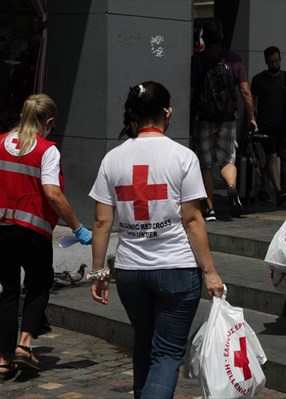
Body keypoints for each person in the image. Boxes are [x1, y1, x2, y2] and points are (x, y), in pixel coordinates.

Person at [89, 82, 224, 398]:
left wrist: (97, 272)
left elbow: (101, 221)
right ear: (168, 112)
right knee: (166, 354)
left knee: (144, 343)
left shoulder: (112, 159)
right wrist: (210, 272)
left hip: (130, 272)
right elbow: (192, 220)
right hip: (177, 269)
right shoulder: (182, 157)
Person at [0, 94, 92, 374]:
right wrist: (77, 225)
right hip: (32, 232)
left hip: (1, 230)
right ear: (48, 121)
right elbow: (52, 193)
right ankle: (24, 345)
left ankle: (3, 360)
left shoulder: (0, 141)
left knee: (8, 291)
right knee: (40, 284)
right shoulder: (46, 149)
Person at [190, 18, 257, 221]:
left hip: (204, 117)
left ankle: (210, 209)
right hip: (228, 117)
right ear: (221, 36)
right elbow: (245, 91)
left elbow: (192, 91)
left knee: (206, 163)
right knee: (228, 159)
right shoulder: (234, 59)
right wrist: (251, 117)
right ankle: (231, 187)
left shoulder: (198, 59)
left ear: (205, 37)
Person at [250, 46, 286, 205]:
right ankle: (278, 191)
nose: (275, 64)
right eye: (271, 62)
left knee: (274, 158)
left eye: (277, 61)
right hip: (266, 123)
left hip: (282, 124)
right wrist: (252, 119)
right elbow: (253, 102)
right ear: (266, 62)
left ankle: (263, 188)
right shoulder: (259, 79)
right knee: (272, 156)